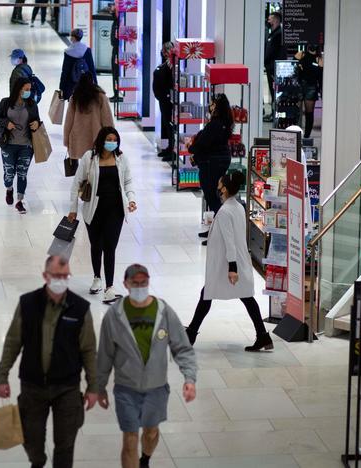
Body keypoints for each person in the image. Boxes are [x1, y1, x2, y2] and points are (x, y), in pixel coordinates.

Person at [0, 255, 98, 468]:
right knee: (31, 439)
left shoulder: (80, 308)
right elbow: (13, 342)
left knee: (65, 443)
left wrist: (93, 386)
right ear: (45, 276)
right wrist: (2, 376)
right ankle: (38, 461)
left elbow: (88, 349)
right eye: (57, 276)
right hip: (33, 386)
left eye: (65, 276)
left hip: (67, 387)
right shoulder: (28, 303)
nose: (61, 280)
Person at [97, 264, 197, 468]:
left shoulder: (163, 312)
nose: (140, 287)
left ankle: (145, 459)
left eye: (144, 283)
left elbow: (182, 348)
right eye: (135, 283)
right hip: (126, 387)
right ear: (125, 284)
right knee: (130, 438)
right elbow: (105, 355)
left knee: (151, 432)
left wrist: (189, 378)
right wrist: (98, 386)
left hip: (156, 387)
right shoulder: (115, 315)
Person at [185, 172, 274, 352]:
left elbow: (229, 241)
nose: (217, 185)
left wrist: (232, 268)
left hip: (227, 263)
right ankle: (263, 336)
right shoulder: (238, 206)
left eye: (219, 182)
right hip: (234, 260)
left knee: (208, 294)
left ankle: (190, 335)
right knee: (240, 296)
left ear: (223, 188)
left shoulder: (225, 211)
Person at [68, 127, 136, 304]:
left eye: (115, 139)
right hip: (93, 209)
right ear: (101, 140)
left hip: (116, 209)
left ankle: (109, 287)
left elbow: (128, 181)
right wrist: (73, 208)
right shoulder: (89, 158)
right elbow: (77, 183)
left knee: (110, 247)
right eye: (109, 139)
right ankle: (97, 277)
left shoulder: (121, 158)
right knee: (96, 245)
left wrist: (131, 199)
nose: (112, 142)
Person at [0, 77, 42, 214]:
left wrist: (37, 123)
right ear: (19, 89)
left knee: (22, 174)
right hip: (8, 145)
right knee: (9, 174)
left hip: (26, 146)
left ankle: (19, 201)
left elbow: (37, 119)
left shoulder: (31, 104)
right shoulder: (6, 103)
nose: (29, 92)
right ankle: (9, 189)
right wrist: (5, 123)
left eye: (30, 89)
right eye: (26, 89)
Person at [189, 93, 233, 241]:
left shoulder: (215, 124)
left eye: (212, 103)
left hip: (212, 163)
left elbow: (203, 143)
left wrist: (192, 149)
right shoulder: (224, 122)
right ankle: (216, 230)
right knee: (213, 194)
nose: (210, 106)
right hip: (218, 160)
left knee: (211, 195)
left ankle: (221, 232)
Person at [63, 73, 114, 161]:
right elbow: (107, 119)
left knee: (82, 166)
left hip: (78, 138)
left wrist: (66, 140)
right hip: (96, 136)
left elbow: (68, 121)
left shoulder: (75, 98)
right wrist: (111, 137)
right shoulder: (100, 97)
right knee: (95, 163)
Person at [58, 29, 97, 101]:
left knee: (72, 104)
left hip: (71, 83)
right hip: (85, 82)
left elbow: (65, 71)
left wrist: (62, 87)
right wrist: (95, 83)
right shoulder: (87, 50)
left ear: (73, 37)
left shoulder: (68, 52)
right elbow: (91, 67)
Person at [152, 42, 175, 160]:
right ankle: (170, 148)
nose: (165, 53)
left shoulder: (172, 65)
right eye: (164, 51)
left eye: (167, 51)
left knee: (170, 125)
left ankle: (172, 150)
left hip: (168, 99)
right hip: (163, 99)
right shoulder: (166, 64)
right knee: (166, 124)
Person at [295, 44, 323, 138]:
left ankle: (306, 136)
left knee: (309, 113)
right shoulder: (301, 54)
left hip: (311, 87)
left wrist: (321, 92)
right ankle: (295, 133)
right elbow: (293, 67)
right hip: (299, 85)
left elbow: (320, 77)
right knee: (296, 111)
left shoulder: (319, 59)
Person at [264, 11, 285, 122]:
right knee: (272, 92)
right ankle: (273, 113)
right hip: (270, 67)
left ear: (276, 20)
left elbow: (272, 52)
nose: (268, 20)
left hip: (274, 68)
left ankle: (276, 114)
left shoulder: (278, 34)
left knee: (275, 92)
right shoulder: (273, 33)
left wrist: (265, 60)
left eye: (270, 19)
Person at [108, 3, 121, 103]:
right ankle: (116, 93)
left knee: (116, 72)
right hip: (115, 49)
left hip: (118, 50)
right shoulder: (116, 21)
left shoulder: (119, 22)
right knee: (114, 71)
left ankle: (117, 94)